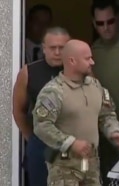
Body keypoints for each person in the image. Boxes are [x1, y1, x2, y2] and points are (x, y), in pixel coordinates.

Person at [32, 39, 119, 186]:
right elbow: (41, 126)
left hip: (91, 164)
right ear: (72, 61)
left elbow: (106, 114)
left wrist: (114, 132)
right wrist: (71, 143)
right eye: (87, 58)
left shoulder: (95, 86)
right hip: (64, 168)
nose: (92, 62)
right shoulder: (54, 92)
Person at [12, 27, 71, 186]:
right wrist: (30, 137)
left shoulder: (81, 71)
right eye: (53, 48)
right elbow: (18, 111)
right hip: (41, 146)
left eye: (62, 48)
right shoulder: (29, 72)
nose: (58, 52)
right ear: (44, 48)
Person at [91, 1, 119, 185]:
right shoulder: (90, 53)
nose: (105, 28)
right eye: (100, 23)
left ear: (118, 19)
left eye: (110, 22)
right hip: (101, 131)